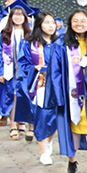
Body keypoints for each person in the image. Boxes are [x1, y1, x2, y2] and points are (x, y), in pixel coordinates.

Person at [45, 9, 87, 173]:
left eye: (83, 21)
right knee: (73, 128)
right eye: (75, 21)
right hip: (70, 94)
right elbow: (55, 72)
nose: (79, 24)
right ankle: (72, 163)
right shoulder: (61, 45)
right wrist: (59, 95)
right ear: (70, 23)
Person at [19, 11, 58, 164]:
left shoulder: (60, 44)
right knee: (42, 117)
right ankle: (43, 151)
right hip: (40, 85)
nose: (50, 26)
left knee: (56, 118)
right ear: (39, 24)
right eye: (47, 23)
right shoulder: (30, 44)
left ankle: (48, 142)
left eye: (52, 23)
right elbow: (23, 65)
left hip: (57, 87)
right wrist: (35, 68)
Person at [0, 0, 35, 138]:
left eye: (20, 15)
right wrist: (0, 72)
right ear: (10, 18)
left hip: (26, 73)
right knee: (13, 97)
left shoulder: (30, 35)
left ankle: (23, 123)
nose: (18, 17)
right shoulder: (5, 34)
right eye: (15, 15)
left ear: (25, 17)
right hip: (10, 71)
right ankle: (13, 125)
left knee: (26, 98)